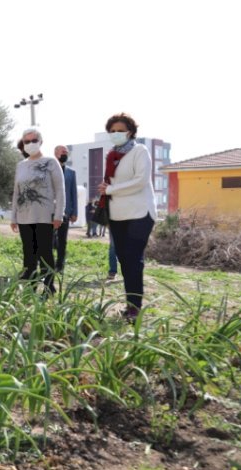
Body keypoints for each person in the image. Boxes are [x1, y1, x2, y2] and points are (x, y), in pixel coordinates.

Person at [97, 113, 156, 322]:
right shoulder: (112, 155)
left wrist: (111, 189)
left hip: (139, 213)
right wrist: (106, 189)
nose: (116, 134)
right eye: (112, 131)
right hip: (118, 214)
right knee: (124, 261)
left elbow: (141, 180)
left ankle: (134, 308)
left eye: (120, 130)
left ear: (130, 132)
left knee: (133, 260)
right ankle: (131, 304)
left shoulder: (140, 151)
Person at [10, 127, 65, 294]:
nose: (31, 144)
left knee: (45, 253)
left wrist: (59, 214)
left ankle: (49, 287)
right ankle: (31, 287)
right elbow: (16, 192)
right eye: (27, 141)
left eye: (34, 140)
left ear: (40, 142)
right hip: (24, 217)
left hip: (45, 217)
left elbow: (60, 189)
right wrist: (13, 217)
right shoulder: (21, 165)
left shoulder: (51, 162)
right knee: (29, 253)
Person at [53, 145, 78, 272]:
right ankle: (47, 264)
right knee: (49, 239)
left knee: (63, 240)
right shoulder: (48, 169)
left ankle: (60, 266)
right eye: (63, 151)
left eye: (67, 152)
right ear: (55, 153)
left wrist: (75, 212)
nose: (65, 154)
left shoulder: (71, 172)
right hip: (50, 210)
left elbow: (73, 193)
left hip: (66, 211)